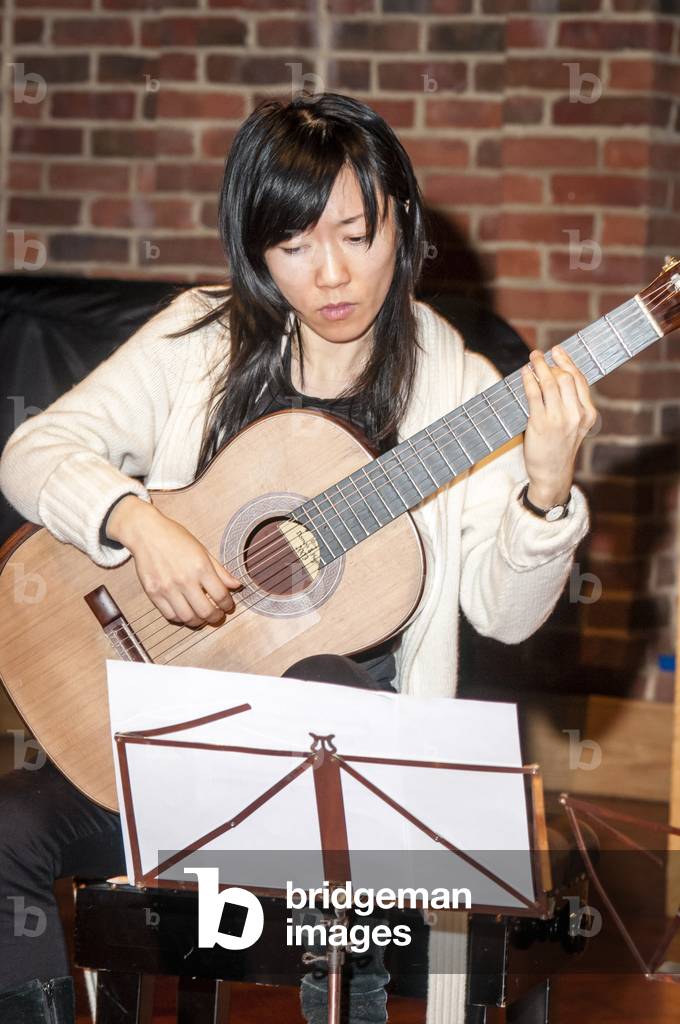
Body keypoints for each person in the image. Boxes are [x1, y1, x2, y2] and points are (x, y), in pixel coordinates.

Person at [0, 92, 595, 1024]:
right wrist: (136, 522)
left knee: (325, 682)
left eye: (359, 235)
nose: (332, 277)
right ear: (257, 252)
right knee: (7, 835)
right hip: (164, 753)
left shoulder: (461, 390)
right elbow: (32, 451)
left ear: (403, 219)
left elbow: (505, 614)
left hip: (343, 795)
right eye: (294, 247)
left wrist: (546, 495)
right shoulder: (198, 338)